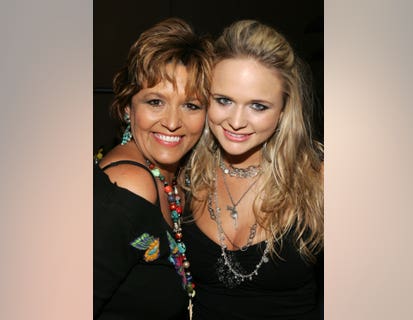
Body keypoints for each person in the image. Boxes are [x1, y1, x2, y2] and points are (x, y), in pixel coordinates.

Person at [182, 20, 324, 319]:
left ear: (285, 109)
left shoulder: (318, 179)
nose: (236, 121)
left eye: (258, 106)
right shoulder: (182, 173)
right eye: (223, 100)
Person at [94, 18, 213, 319]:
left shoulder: (174, 181)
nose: (173, 122)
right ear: (127, 106)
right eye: (156, 101)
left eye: (191, 105)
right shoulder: (130, 184)